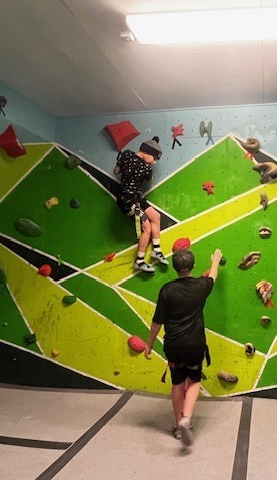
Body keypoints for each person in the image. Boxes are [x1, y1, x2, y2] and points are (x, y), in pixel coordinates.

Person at [144, 248, 223, 447]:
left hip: (173, 345)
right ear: (193, 266)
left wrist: (149, 344)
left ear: (175, 267)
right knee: (194, 380)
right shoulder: (201, 286)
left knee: (177, 383)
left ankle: (179, 426)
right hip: (195, 344)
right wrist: (215, 261)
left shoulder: (167, 290)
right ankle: (186, 419)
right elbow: (213, 276)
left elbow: (157, 322)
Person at [113, 136, 168, 273]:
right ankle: (139, 261)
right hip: (128, 201)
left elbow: (116, 172)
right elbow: (150, 180)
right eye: (154, 158)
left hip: (134, 198)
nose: (154, 162)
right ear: (147, 152)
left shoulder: (126, 154)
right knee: (147, 228)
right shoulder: (146, 168)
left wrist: (124, 163)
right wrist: (145, 169)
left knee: (156, 216)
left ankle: (156, 250)